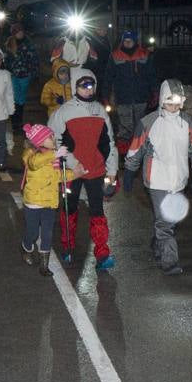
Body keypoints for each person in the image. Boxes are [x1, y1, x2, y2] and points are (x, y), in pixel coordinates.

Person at [122, 79, 192, 276]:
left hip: (179, 181)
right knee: (165, 222)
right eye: (170, 101)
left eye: (178, 101)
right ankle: (169, 262)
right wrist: (128, 172)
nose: (174, 106)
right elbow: (135, 150)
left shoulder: (187, 122)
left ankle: (158, 243)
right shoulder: (148, 122)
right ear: (162, 100)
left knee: (169, 221)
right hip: (157, 181)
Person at [47, 68, 119, 271]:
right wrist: (72, 163)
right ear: (75, 86)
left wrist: (112, 169)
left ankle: (102, 254)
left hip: (95, 170)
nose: (88, 89)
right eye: (83, 85)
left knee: (97, 211)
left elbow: (109, 142)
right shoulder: (63, 112)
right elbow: (54, 141)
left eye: (91, 85)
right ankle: (68, 247)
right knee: (70, 208)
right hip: (72, 171)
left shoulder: (100, 111)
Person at [20, 123, 85, 275]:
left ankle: (44, 265)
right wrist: (54, 155)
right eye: (49, 137)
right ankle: (26, 246)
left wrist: (74, 174)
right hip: (34, 202)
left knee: (48, 233)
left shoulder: (53, 155)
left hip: (50, 201)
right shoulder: (30, 154)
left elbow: (56, 176)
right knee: (33, 232)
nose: (53, 138)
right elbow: (34, 164)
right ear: (39, 141)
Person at [103, 29, 156, 156]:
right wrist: (105, 95)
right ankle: (124, 155)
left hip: (141, 98)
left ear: (135, 41)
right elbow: (108, 77)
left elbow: (152, 75)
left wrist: (155, 92)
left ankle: (139, 153)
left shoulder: (144, 55)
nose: (127, 43)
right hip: (123, 98)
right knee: (125, 128)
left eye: (130, 41)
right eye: (125, 41)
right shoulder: (115, 56)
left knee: (141, 126)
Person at [4, 22, 39, 135]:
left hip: (25, 75)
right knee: (15, 99)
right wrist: (8, 71)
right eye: (18, 32)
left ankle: (18, 122)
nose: (20, 33)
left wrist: (33, 72)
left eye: (21, 31)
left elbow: (34, 59)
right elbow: (7, 60)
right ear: (14, 33)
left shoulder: (28, 44)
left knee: (21, 100)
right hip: (13, 75)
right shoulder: (10, 44)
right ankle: (15, 123)